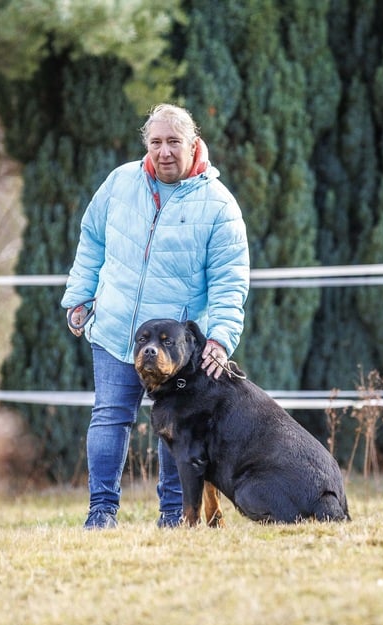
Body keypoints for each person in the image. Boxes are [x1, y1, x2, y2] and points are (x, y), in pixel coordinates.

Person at [62, 103, 250, 529]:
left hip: (178, 351)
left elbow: (230, 280)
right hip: (116, 331)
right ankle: (101, 513)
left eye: (174, 142)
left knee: (180, 428)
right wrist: (79, 298)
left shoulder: (219, 205)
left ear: (193, 144)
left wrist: (220, 339)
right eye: (156, 142)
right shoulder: (119, 182)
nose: (164, 151)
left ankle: (173, 516)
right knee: (110, 416)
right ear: (146, 144)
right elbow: (91, 240)